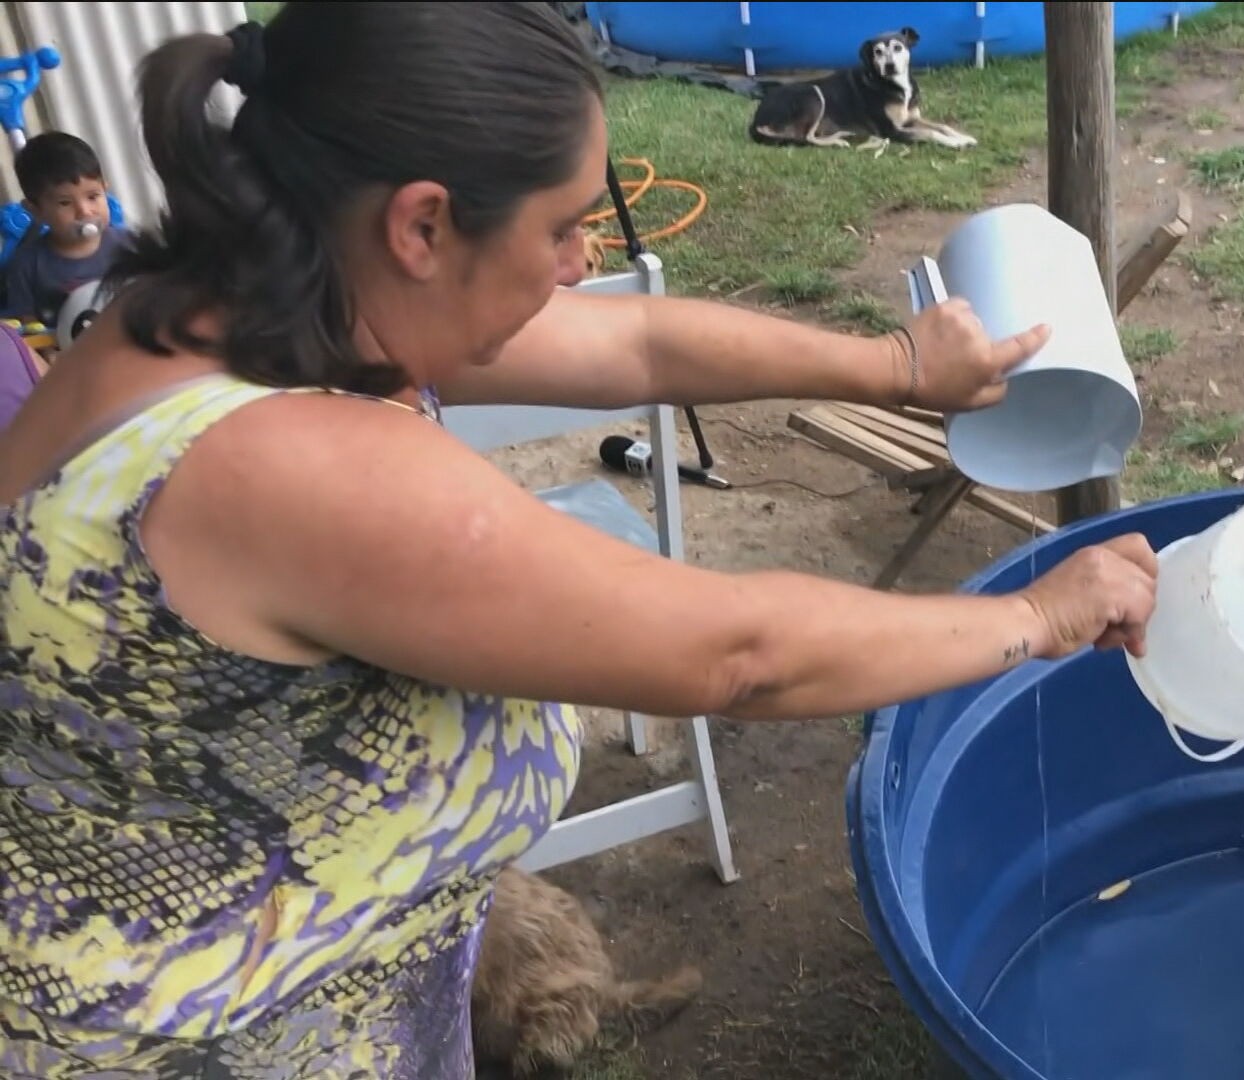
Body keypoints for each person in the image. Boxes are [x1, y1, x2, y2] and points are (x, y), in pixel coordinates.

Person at [0, 4, 1157, 1078]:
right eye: (560, 229)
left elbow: (637, 350)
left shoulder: (234, 308)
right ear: (422, 222)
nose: (580, 267)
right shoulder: (283, 466)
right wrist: (1037, 617)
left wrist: (903, 369)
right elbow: (736, 657)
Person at [2, 131, 129, 325]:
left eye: (93, 196)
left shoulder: (130, 245)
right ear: (35, 210)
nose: (84, 211)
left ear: (105, 188)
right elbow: (26, 324)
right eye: (64, 203)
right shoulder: (28, 265)